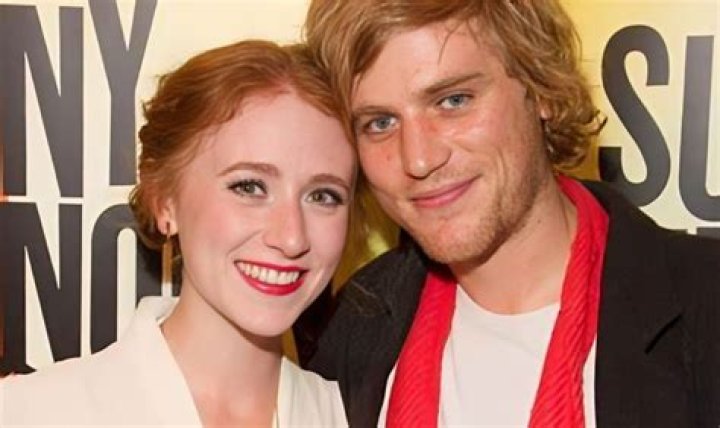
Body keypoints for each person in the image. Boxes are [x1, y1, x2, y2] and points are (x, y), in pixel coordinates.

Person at [299, 1, 720, 427]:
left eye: (453, 101)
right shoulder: (358, 322)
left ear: (540, 89)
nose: (419, 158)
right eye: (380, 123)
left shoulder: (704, 304)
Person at [0, 40, 353, 427]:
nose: (292, 237)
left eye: (323, 196)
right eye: (249, 187)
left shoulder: (353, 414)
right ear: (165, 201)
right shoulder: (28, 412)